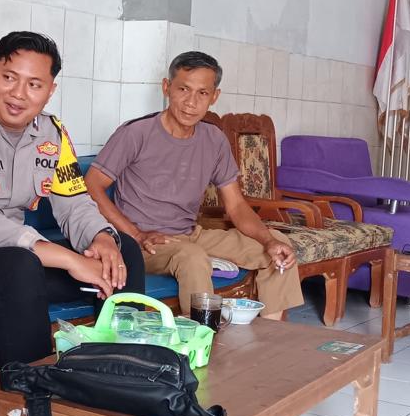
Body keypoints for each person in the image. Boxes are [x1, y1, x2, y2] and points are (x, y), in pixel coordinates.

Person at [0, 31, 145, 365]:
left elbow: (74, 202)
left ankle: (122, 366)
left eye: (34, 84)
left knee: (122, 251)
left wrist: (101, 237)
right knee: (20, 266)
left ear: (50, 91)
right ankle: (30, 385)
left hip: (17, 259)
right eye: (8, 78)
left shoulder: (52, 133)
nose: (18, 94)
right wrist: (70, 260)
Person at [84, 51, 303, 319]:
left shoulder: (214, 139)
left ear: (214, 97)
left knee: (277, 245)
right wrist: (136, 235)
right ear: (167, 87)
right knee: (192, 256)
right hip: (142, 243)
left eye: (202, 93)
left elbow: (236, 206)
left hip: (189, 234)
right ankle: (204, 338)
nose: (191, 102)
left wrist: (268, 239)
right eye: (183, 89)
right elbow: (91, 186)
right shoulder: (136, 133)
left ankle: (271, 335)